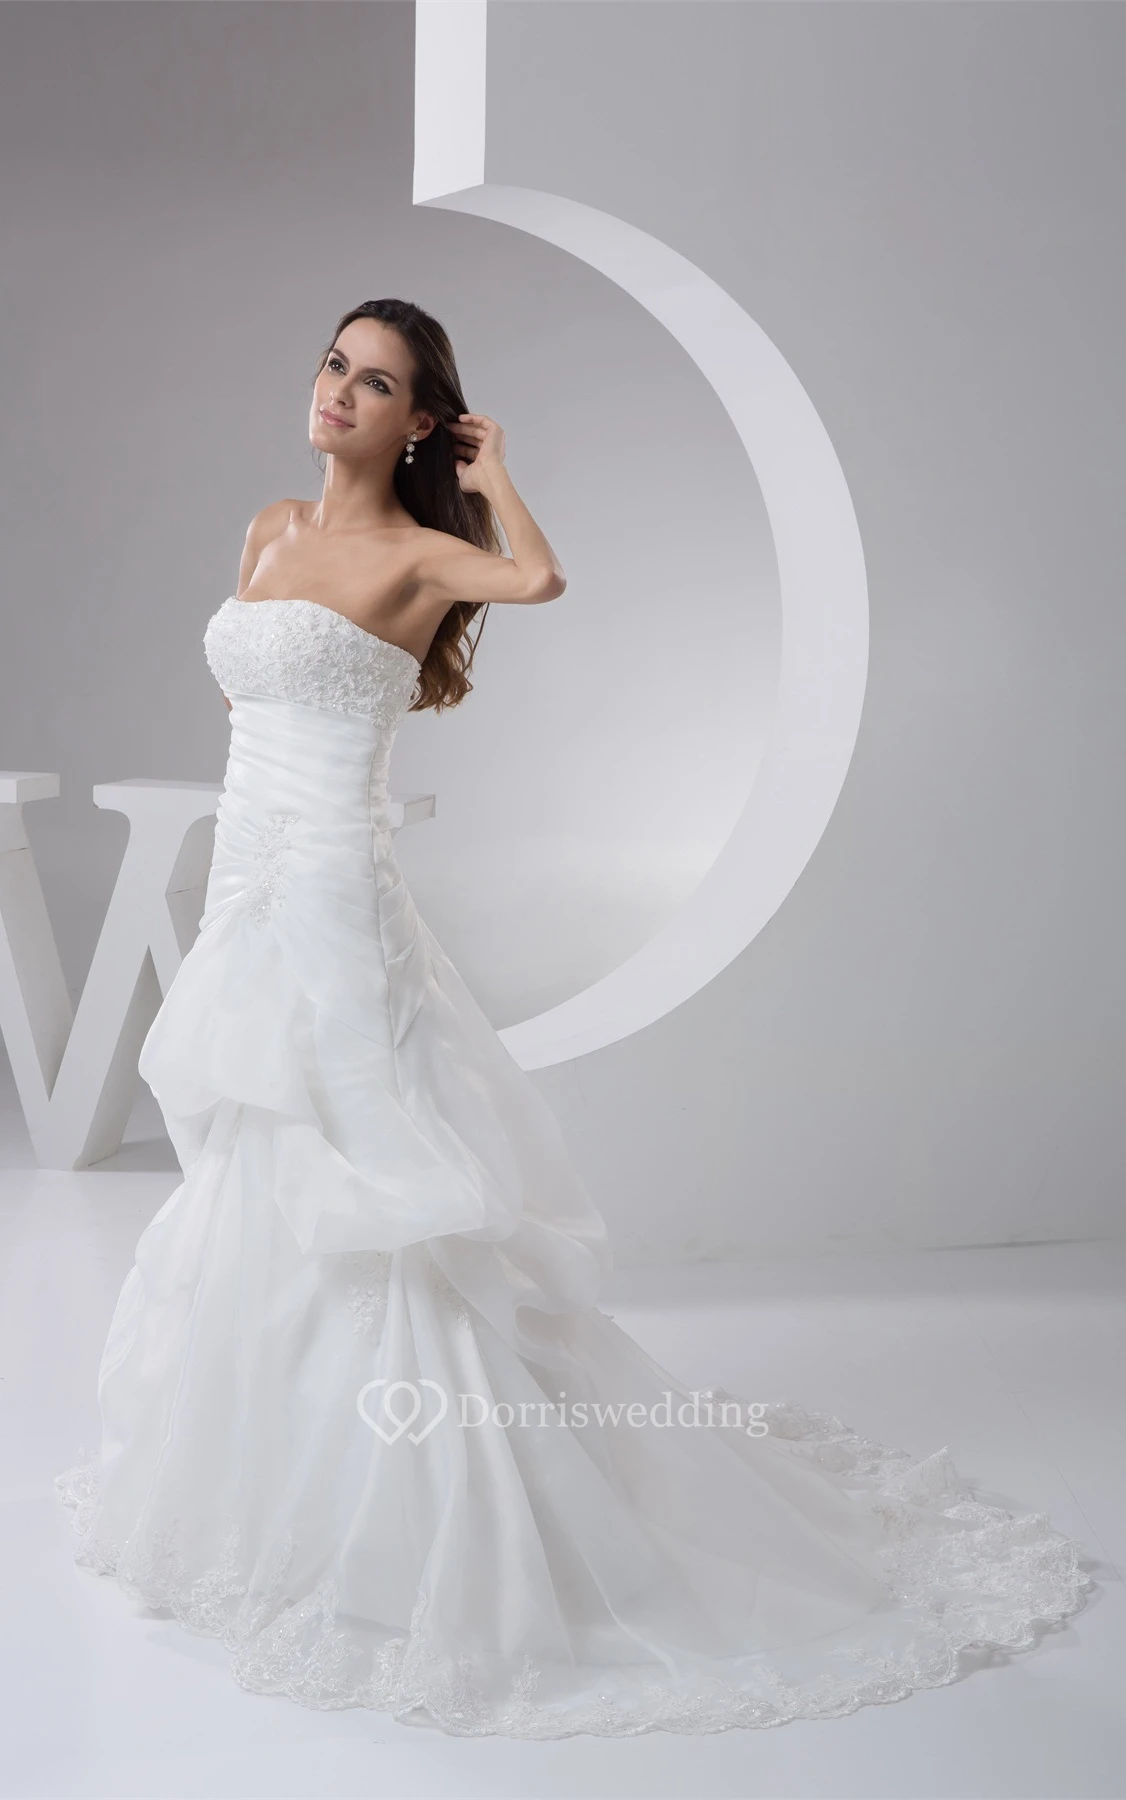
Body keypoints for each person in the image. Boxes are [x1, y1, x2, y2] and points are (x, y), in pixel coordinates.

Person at [55, 299, 1090, 1739]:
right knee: (260, 1159)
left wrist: (490, 473)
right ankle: (273, 1501)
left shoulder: (424, 553)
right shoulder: (267, 529)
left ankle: (436, 1524)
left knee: (374, 1175)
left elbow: (537, 578)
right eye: (335, 364)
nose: (339, 391)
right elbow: (254, 716)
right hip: (247, 876)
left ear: (420, 419)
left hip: (336, 893)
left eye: (378, 383)